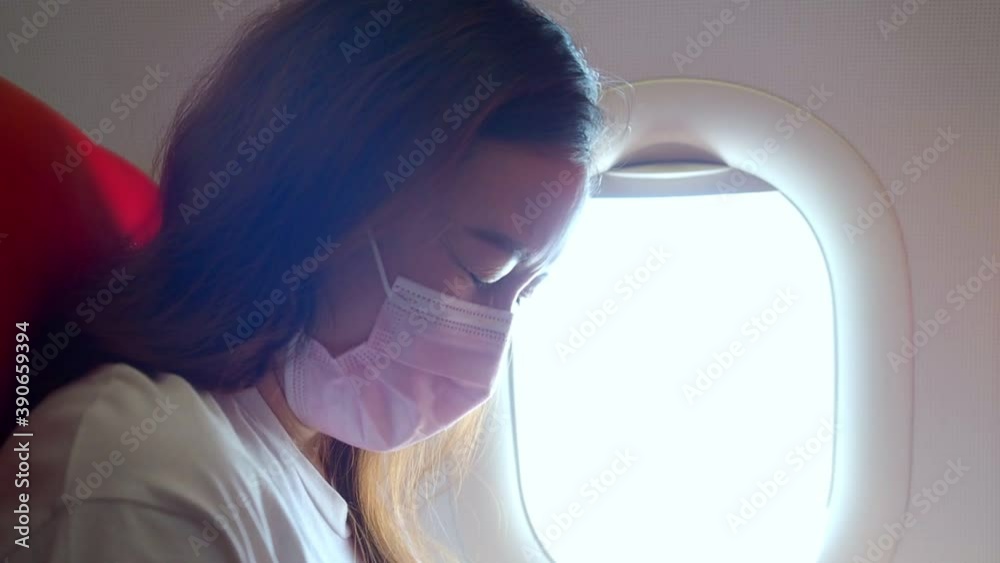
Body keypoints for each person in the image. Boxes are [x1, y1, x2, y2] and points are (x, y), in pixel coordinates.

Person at [0, 0, 609, 561]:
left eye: (525, 292)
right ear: (329, 203)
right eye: (483, 268)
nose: (489, 349)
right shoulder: (141, 480)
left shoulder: (311, 485)